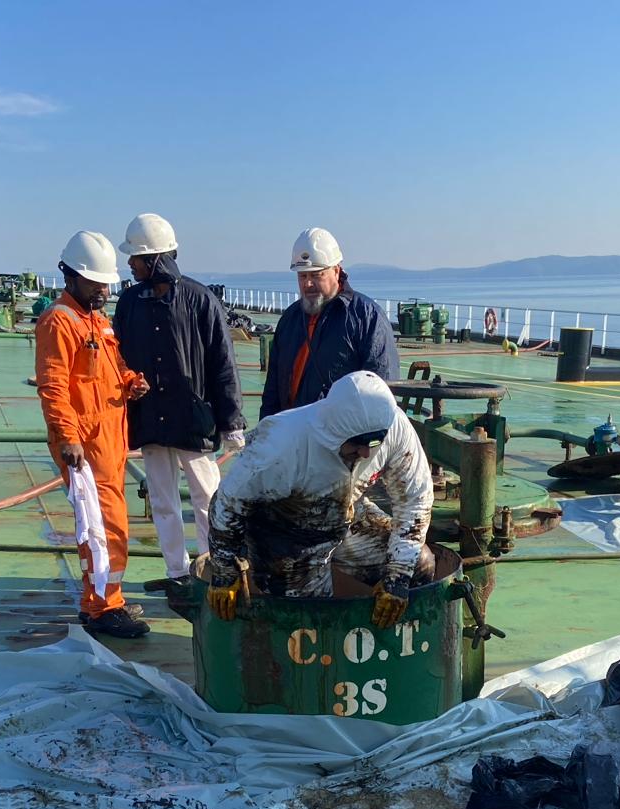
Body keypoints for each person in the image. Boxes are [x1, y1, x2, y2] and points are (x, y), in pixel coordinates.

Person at [207, 370, 432, 629]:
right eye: (357, 443)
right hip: (284, 533)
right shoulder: (279, 445)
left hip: (347, 516)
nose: (366, 452)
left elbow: (415, 499)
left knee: (419, 564)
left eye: (374, 441)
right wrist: (225, 570)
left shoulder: (394, 427)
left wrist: (398, 575)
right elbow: (226, 504)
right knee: (310, 618)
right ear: (334, 431)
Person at [111, 213, 245, 591]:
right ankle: (176, 572)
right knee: (164, 501)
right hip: (151, 419)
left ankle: (212, 570)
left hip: (193, 419)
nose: (130, 264)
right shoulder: (130, 303)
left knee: (208, 499)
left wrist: (231, 420)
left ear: (154, 260)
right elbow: (117, 356)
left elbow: (222, 361)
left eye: (136, 258)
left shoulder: (200, 301)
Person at [35, 230, 151, 638]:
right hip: (84, 446)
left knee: (106, 524)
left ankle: (103, 598)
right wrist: (68, 438)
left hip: (108, 442)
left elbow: (110, 370)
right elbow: (53, 386)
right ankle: (104, 609)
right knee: (104, 528)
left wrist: (131, 381)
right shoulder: (59, 322)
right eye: (95, 282)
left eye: (106, 283)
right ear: (71, 277)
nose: (103, 290)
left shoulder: (97, 322)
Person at [259, 228, 399, 420]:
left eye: (316, 275)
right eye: (303, 276)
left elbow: (382, 389)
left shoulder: (366, 317)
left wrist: (362, 443)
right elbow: (273, 390)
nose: (308, 284)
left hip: (343, 443)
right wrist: (267, 435)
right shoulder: (290, 320)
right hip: (294, 438)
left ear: (336, 271)